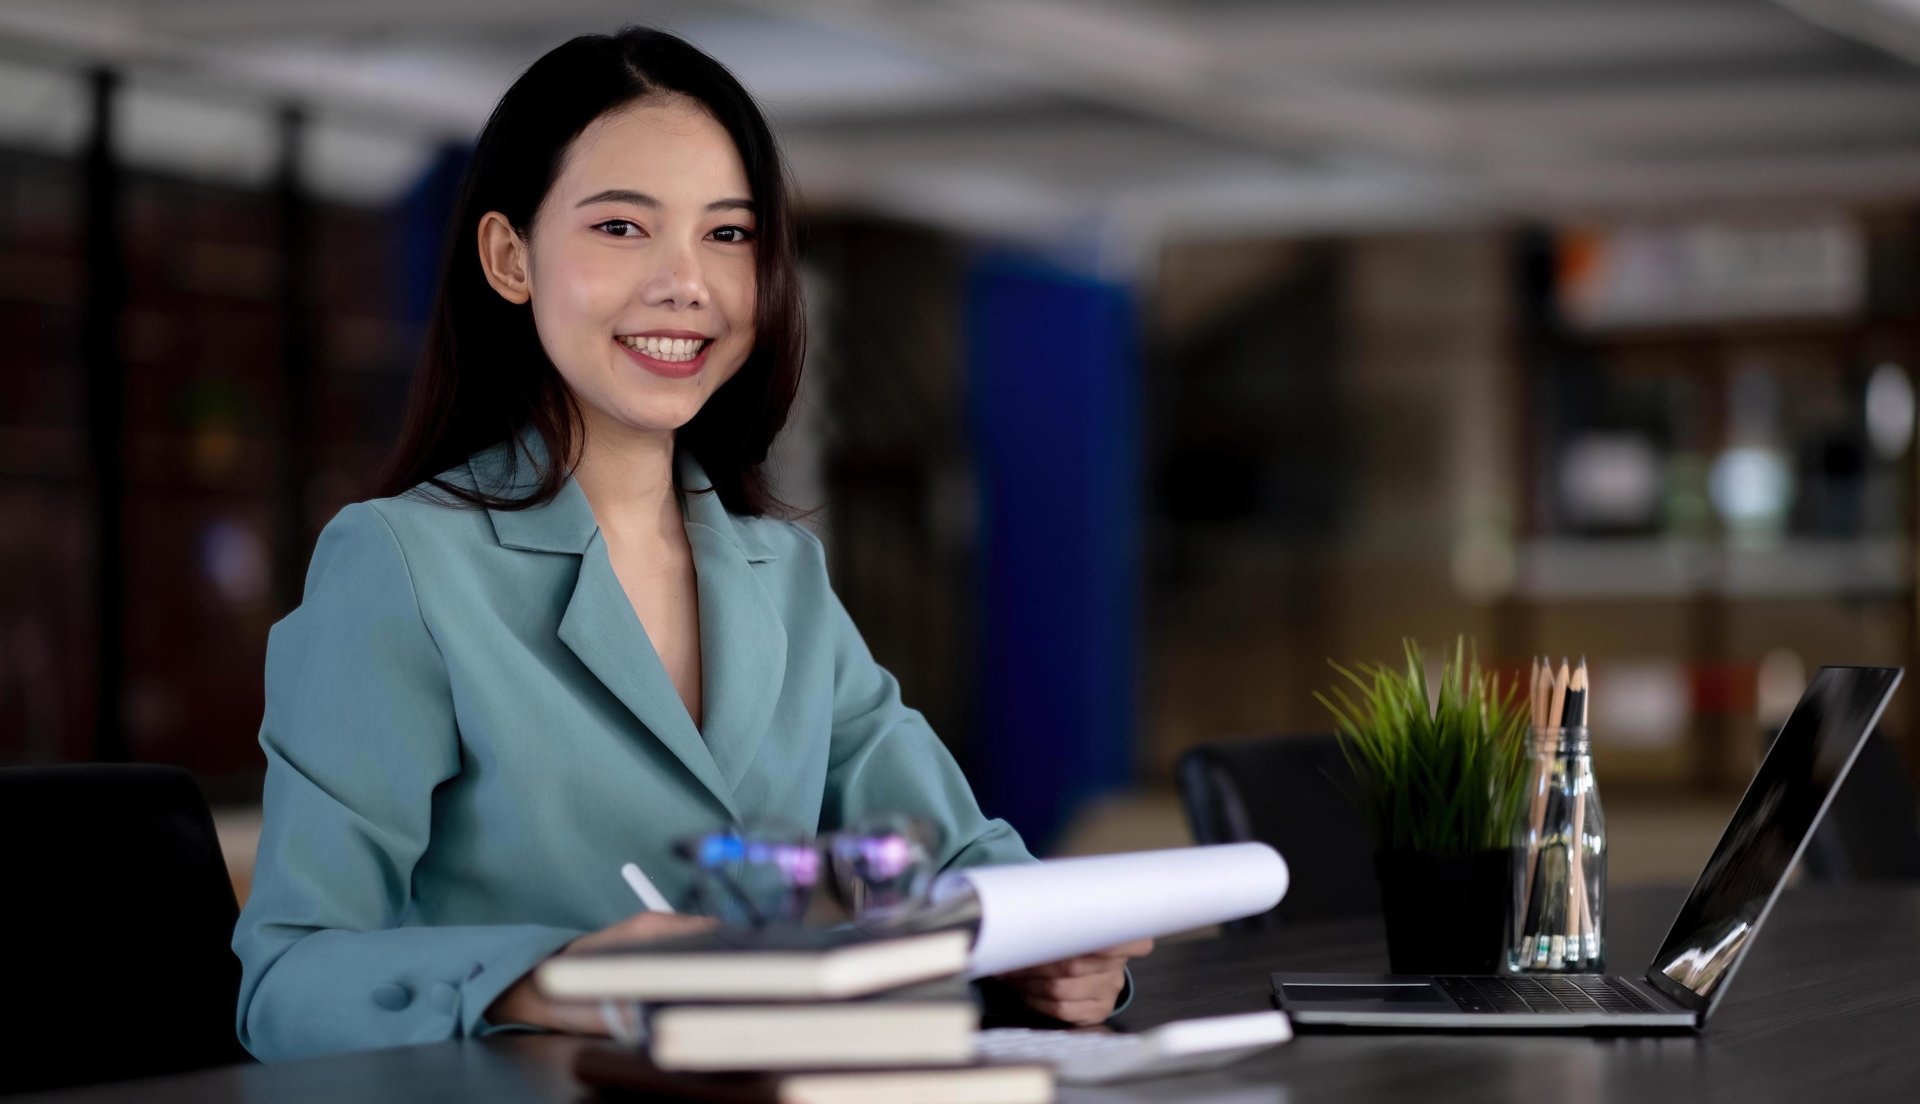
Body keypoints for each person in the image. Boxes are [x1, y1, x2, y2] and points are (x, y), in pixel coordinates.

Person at [231, 26, 1150, 1061]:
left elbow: (957, 853)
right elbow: (291, 980)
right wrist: (561, 975)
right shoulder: (402, 565)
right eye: (623, 227)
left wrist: (1052, 946)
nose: (687, 283)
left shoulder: (780, 573)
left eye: (729, 234)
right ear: (508, 257)